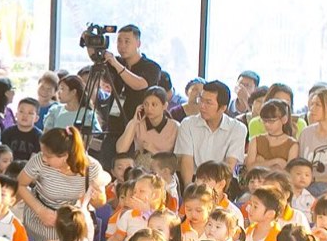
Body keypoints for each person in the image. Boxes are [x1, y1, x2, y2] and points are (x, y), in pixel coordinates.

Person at [90, 25, 168, 162]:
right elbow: (94, 57)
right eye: (119, 41)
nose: (122, 46)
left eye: (127, 41)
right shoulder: (115, 62)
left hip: (137, 127)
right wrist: (89, 39)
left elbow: (140, 84)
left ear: (138, 43)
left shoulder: (151, 66)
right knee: (107, 165)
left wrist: (116, 64)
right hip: (113, 125)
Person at [174, 80, 248, 184]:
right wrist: (189, 188)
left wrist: (216, 188)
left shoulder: (238, 128)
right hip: (195, 178)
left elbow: (229, 165)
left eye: (208, 103)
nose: (202, 106)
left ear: (223, 108)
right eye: (201, 100)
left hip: (222, 180)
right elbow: (186, 161)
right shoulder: (188, 124)